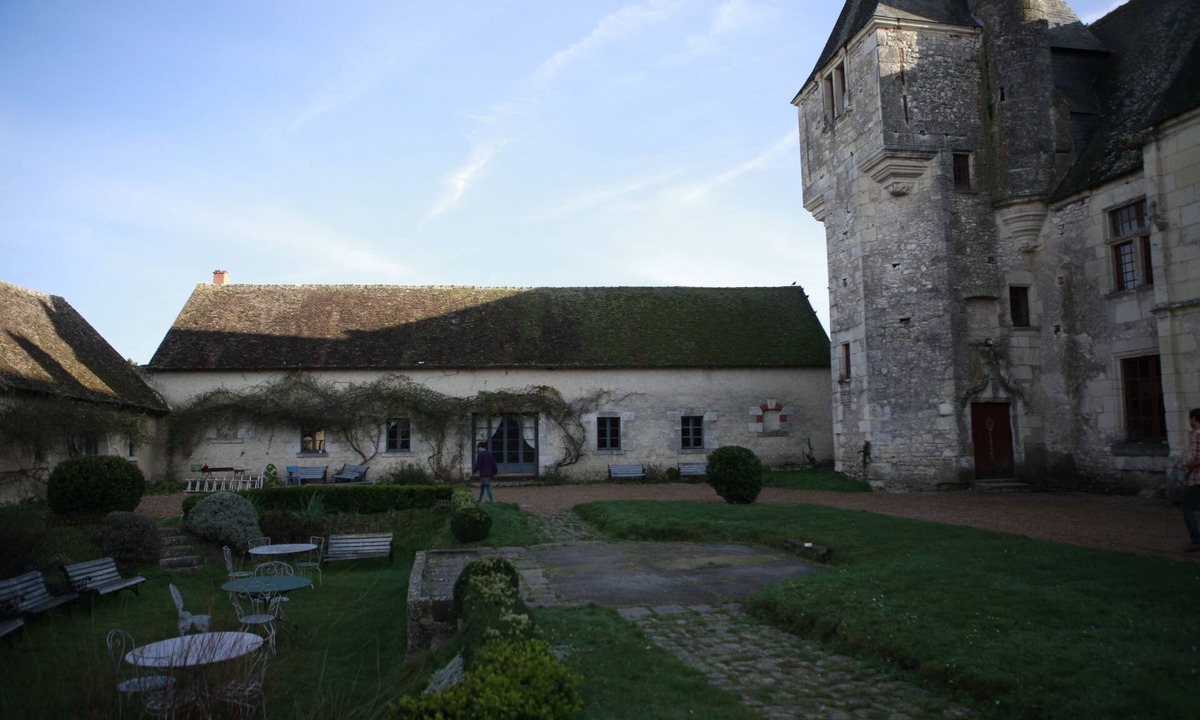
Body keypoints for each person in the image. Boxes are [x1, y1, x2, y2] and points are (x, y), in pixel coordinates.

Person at [1181, 408, 1200, 552]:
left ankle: (1196, 539)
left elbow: (1197, 459)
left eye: (1191, 419)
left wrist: (1186, 466)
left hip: (1197, 478)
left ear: (1194, 419)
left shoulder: (1197, 434)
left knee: (1187, 507)